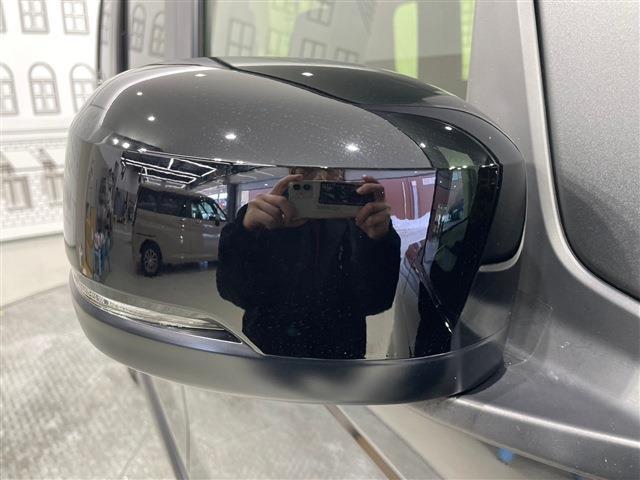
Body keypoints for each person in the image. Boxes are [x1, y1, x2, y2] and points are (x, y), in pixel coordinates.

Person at [216, 168, 401, 359]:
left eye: (331, 170)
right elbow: (235, 292)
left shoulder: (360, 220)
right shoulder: (265, 215)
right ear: (292, 172)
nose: (321, 178)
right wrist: (246, 234)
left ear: (341, 175)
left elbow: (375, 300)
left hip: (337, 354)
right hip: (272, 352)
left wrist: (377, 241)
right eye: (307, 170)